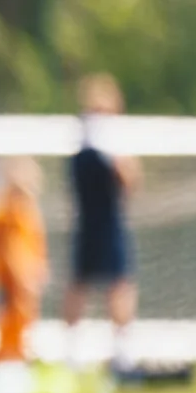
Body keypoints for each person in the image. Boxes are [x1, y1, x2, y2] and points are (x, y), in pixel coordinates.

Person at [65, 73, 142, 371]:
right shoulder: (87, 146)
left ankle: (121, 351)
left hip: (108, 222)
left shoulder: (109, 143)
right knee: (83, 284)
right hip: (91, 221)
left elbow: (129, 183)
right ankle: (73, 349)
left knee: (117, 285)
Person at [0, 158, 49, 364]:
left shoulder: (28, 211)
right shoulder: (4, 212)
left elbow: (36, 243)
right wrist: (13, 274)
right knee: (10, 316)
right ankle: (6, 355)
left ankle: (20, 353)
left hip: (27, 275)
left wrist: (39, 267)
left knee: (26, 316)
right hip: (9, 276)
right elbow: (4, 249)